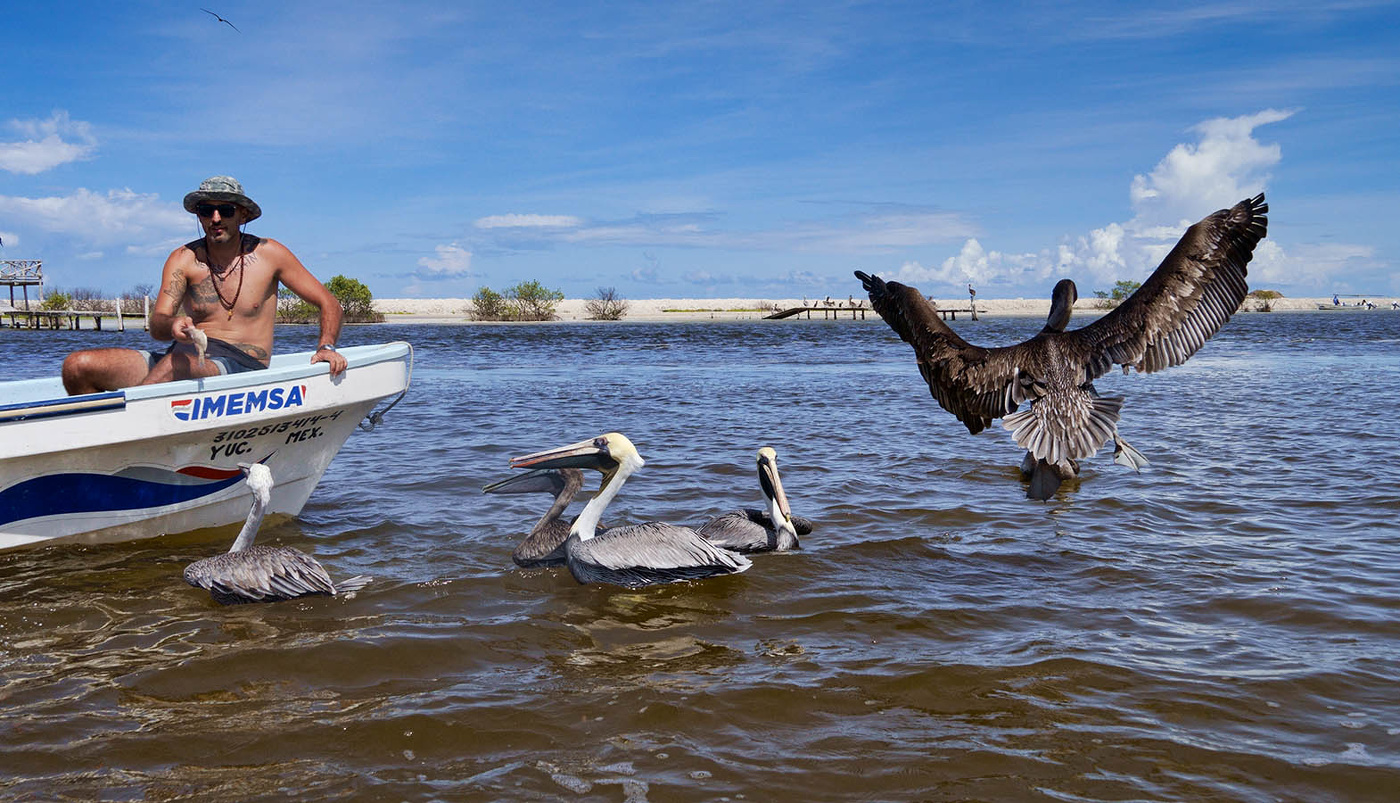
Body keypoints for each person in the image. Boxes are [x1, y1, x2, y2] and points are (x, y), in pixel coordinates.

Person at [62, 176, 348, 395]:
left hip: (242, 363)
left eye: (225, 210)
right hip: (183, 358)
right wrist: (173, 325)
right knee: (78, 366)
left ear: (243, 215)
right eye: (206, 210)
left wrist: (326, 346)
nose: (215, 219)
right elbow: (158, 324)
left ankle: (124, 433)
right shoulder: (183, 259)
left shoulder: (270, 254)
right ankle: (91, 446)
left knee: (175, 365)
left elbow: (328, 303)